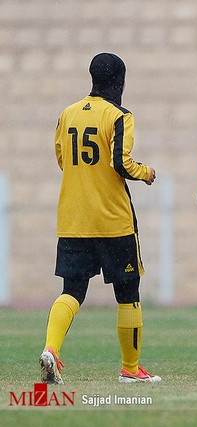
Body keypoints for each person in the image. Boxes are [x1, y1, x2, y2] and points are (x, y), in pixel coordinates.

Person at [39, 53, 160, 384]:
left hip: (74, 220)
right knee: (127, 291)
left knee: (73, 291)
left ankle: (52, 349)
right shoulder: (119, 115)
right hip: (112, 222)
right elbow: (121, 163)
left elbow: (63, 159)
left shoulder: (67, 114)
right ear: (120, 80)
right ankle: (130, 370)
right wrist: (146, 173)